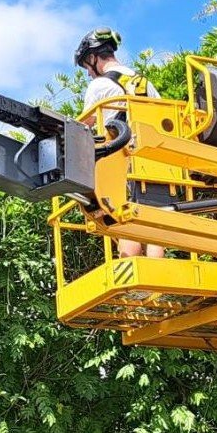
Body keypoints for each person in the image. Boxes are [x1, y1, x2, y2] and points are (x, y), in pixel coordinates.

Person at [74, 28, 165, 259]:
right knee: (155, 222)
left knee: (124, 218)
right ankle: (156, 274)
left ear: (93, 57)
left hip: (122, 159)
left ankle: (131, 272)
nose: (88, 74)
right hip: (156, 160)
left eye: (87, 67)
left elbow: (83, 125)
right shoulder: (144, 83)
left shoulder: (100, 85)